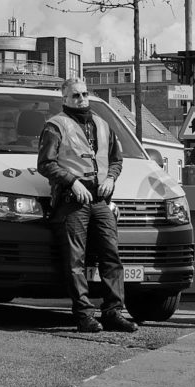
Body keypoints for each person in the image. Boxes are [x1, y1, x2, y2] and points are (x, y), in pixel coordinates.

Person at [37, 78, 138, 333]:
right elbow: (45, 164)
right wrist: (72, 182)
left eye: (84, 94)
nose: (81, 99)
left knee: (111, 257)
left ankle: (113, 312)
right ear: (64, 99)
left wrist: (112, 178)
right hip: (72, 202)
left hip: (101, 200)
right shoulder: (55, 126)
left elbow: (116, 160)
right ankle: (84, 316)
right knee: (75, 261)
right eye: (75, 96)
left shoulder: (103, 125)